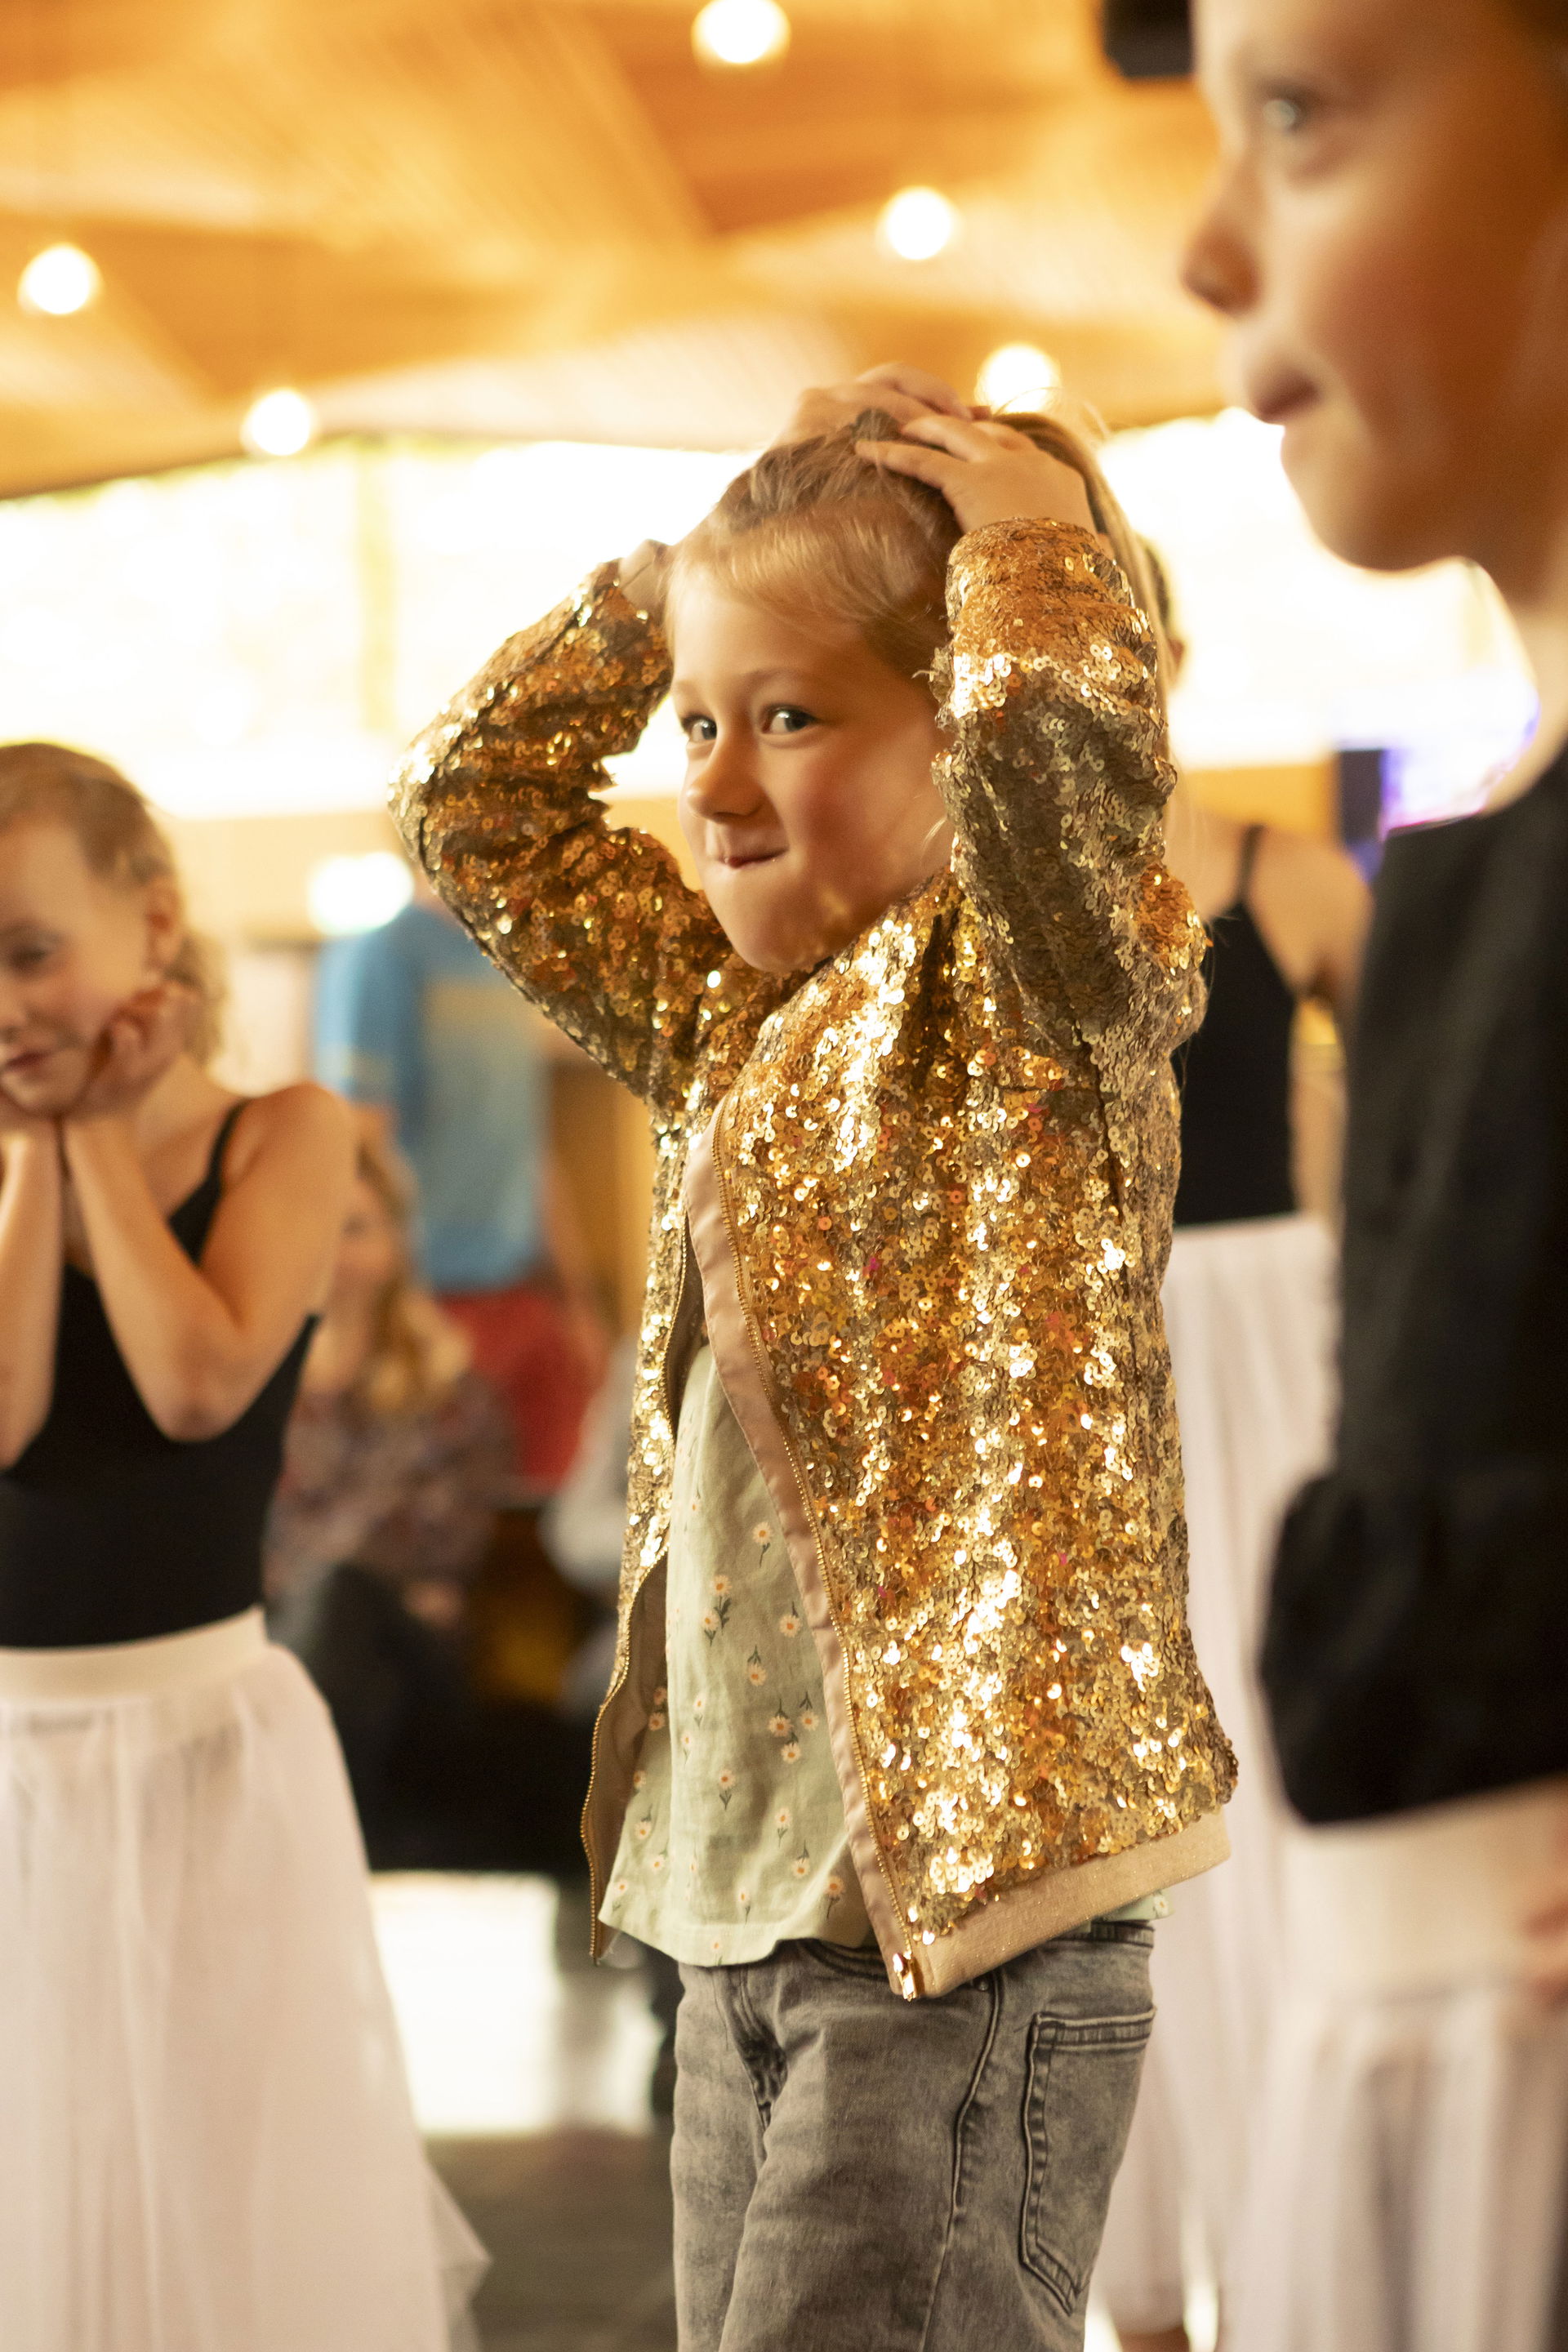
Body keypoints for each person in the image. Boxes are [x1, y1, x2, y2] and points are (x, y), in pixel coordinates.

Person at [394, 359, 1236, 2350]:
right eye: (697, 720)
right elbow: (471, 812)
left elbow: (1064, 790)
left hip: (952, 1917)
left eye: (791, 716)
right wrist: (655, 591)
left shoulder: (1043, 1001)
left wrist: (1030, 550)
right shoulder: (729, 1024)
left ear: (962, 724)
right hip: (732, 1910)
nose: (714, 779)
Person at [1182, 2, 1568, 2345]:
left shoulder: (1303, 885)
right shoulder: (1462, 873)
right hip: (1416, 2065)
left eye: (1301, 118)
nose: (1206, 242)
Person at [0, 743, 483, 2352]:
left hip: (205, 1735)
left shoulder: (293, 1131)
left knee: (210, 2188)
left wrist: (95, 1146)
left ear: (151, 930)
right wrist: (33, 1155)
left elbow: (198, 1383)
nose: (5, 1002)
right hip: (15, 1749)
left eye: (29, 951)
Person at [1094, 566, 1370, 2352]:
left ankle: (1306, 2250)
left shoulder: (1286, 874)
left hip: (1267, 1348)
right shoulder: (1007, 900)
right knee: (1136, 1820)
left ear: (1177, 664)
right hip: (1109, 1362)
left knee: (1268, 1771)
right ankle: (1144, 2278)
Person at [265, 1126, 592, 1873]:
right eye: (311, 1228)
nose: (331, 1253)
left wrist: (311, 1573)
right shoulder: (247, 1393)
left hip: (410, 1663)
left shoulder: (453, 1395)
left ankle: (300, 1852)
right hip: (276, 1655)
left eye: (353, 1229)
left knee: (341, 1595)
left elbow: (431, 1551)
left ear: (394, 1245)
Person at [313, 871, 604, 1489]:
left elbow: (527, 1141)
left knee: (553, 1515)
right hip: (427, 1302)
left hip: (519, 1292)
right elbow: (359, 1147)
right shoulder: (379, 959)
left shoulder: (506, 960)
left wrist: (574, 1294)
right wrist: (388, 1305)